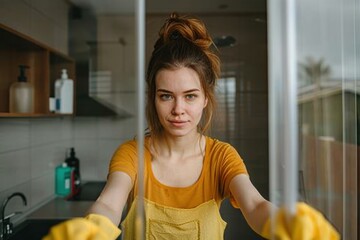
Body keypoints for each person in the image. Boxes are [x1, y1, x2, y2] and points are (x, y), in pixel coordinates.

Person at [43, 13, 339, 240]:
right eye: (166, 96)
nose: (178, 110)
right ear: (152, 98)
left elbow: (255, 205)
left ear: (206, 99)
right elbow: (109, 202)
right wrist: (94, 226)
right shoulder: (133, 154)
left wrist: (283, 223)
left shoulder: (221, 157)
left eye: (190, 96)